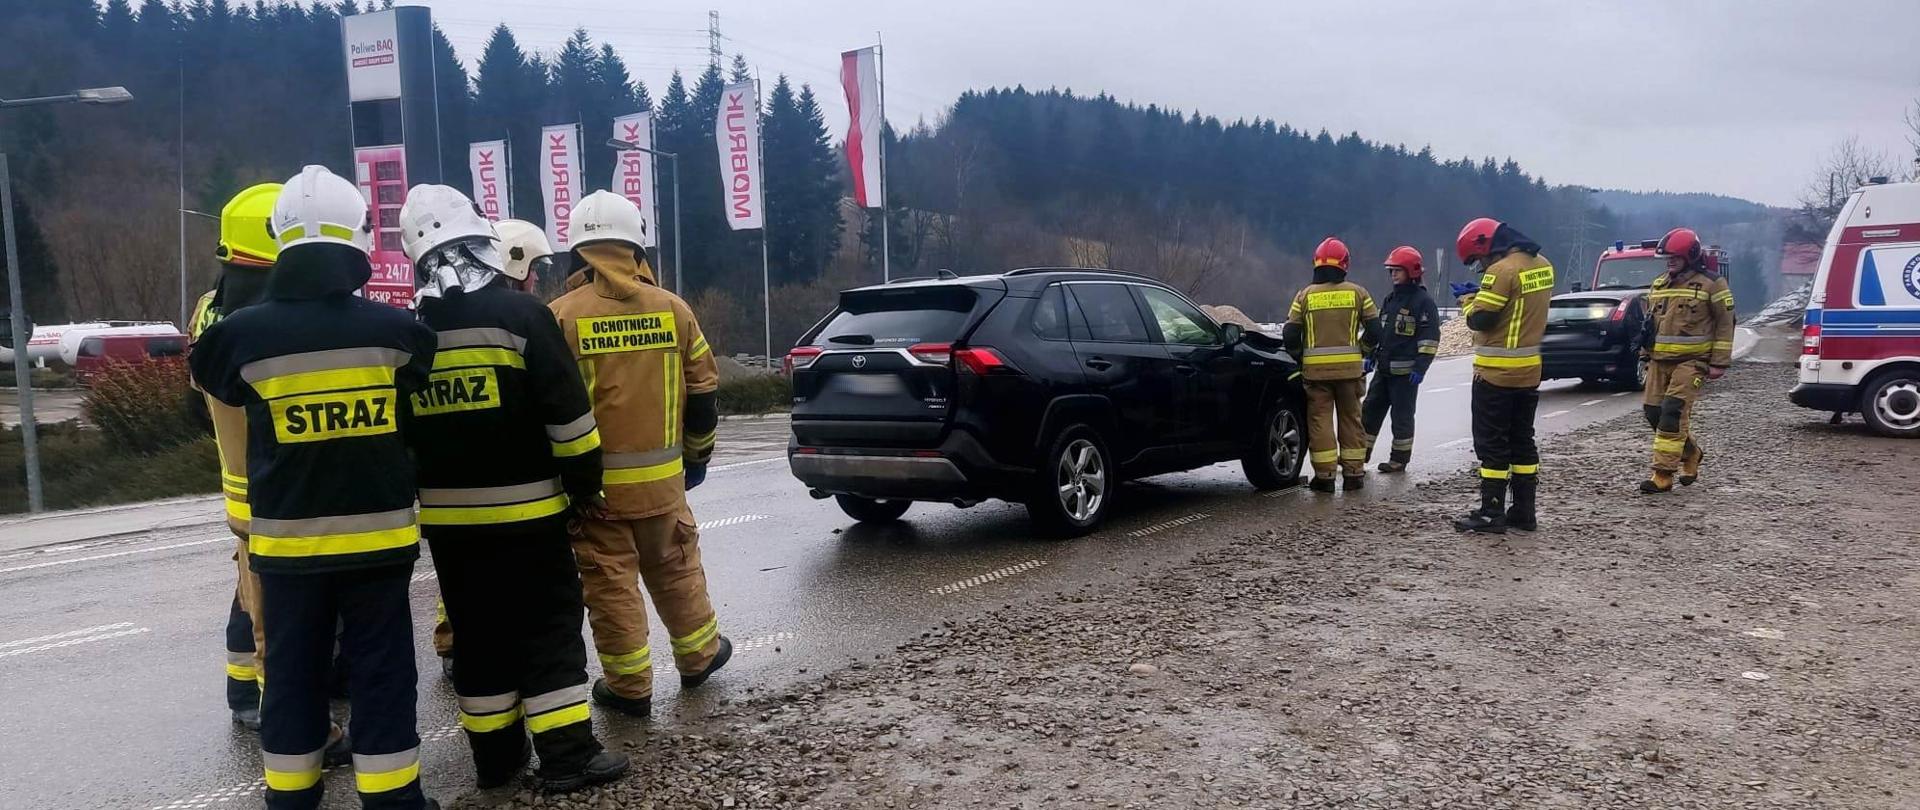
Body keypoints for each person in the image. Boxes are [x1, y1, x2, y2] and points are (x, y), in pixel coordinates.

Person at [189, 165, 439, 810]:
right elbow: (416, 383)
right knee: (382, 675)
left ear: (280, 240)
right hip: (380, 543)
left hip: (286, 546)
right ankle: (393, 800)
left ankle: (291, 798)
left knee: (294, 678)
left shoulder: (235, 338)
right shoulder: (398, 334)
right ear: (358, 237)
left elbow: (211, 387)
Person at [396, 185, 629, 792]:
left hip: (449, 527)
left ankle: (496, 762)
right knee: (548, 628)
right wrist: (585, 488)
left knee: (479, 637)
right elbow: (572, 425)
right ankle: (568, 756)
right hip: (530, 517)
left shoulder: (411, 333)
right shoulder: (525, 317)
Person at [548, 191, 730, 716]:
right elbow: (704, 391)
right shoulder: (674, 310)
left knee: (611, 585)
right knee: (675, 568)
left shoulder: (560, 317)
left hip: (594, 492)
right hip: (665, 484)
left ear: (577, 252)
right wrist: (695, 460)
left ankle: (630, 689)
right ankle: (699, 658)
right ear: (635, 247)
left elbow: (549, 407)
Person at [189, 183, 279, 732]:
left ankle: (243, 689)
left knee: (248, 588)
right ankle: (283, 715)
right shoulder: (263, 323)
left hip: (237, 478)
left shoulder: (210, 308)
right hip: (271, 485)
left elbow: (190, 403)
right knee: (273, 609)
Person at [1449, 217, 1554, 534]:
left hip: (1495, 374)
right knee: (1523, 442)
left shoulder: (1502, 271)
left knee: (1491, 444)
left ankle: (1490, 513)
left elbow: (1481, 320)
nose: (1480, 267)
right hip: (1529, 371)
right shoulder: (1543, 264)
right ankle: (1523, 511)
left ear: (1486, 247)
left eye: (1478, 260)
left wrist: (1468, 301)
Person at [1637, 227, 1734, 493]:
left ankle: (1663, 474)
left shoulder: (1713, 284)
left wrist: (1719, 362)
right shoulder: (1659, 285)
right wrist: (1645, 354)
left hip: (1692, 361)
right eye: (1667, 258)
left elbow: (1726, 324)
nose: (1669, 262)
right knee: (1653, 412)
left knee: (1672, 413)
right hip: (1659, 360)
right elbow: (1651, 324)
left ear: (1690, 257)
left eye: (1675, 258)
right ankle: (1691, 453)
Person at [1283, 237, 1382, 492]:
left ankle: (1325, 477)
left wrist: (1300, 358)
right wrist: (1363, 350)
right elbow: (1375, 330)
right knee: (1352, 419)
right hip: (1351, 371)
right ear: (1345, 264)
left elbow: (1290, 334)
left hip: (1316, 374)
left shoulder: (1304, 295)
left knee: (1320, 421)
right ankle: (1353, 475)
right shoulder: (1359, 293)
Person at [1361, 245, 1440, 473]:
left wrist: (1421, 367)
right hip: (1383, 371)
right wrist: (1369, 355)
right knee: (1369, 412)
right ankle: (1359, 456)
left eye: (1398, 270)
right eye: (1391, 270)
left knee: (1402, 417)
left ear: (1411, 271)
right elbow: (1380, 331)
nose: (1393, 275)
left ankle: (1399, 459)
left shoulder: (1423, 302)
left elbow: (1429, 337)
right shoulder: (1390, 300)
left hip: (1405, 376)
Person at [494, 219, 555, 293]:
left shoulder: (479, 301)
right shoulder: (528, 304)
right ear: (514, 271)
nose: (536, 278)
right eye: (532, 269)